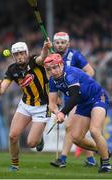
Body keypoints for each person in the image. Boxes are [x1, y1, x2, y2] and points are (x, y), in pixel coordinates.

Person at [44, 53, 112, 173]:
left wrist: (63, 113)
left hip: (97, 97)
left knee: (94, 131)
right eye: (49, 69)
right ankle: (102, 150)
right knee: (76, 138)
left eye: (55, 67)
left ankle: (106, 164)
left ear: (61, 65)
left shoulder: (70, 73)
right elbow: (51, 103)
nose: (53, 71)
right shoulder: (52, 81)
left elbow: (74, 97)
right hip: (83, 103)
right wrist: (56, 112)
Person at [0, 41, 51, 171]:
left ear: (27, 53)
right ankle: (14, 165)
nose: (19, 56)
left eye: (21, 53)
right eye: (16, 54)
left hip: (42, 107)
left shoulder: (34, 61)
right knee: (12, 136)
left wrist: (45, 48)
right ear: (13, 56)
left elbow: (42, 58)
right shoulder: (12, 69)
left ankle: (39, 138)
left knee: (31, 143)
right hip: (25, 105)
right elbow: (1, 91)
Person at [46, 32, 97, 168]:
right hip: (68, 98)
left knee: (69, 127)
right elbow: (52, 79)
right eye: (57, 42)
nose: (60, 45)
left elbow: (90, 72)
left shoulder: (75, 55)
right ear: (54, 44)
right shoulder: (52, 58)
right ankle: (91, 159)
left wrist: (81, 87)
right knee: (77, 131)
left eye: (63, 42)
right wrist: (56, 97)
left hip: (78, 97)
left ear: (68, 44)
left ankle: (62, 158)